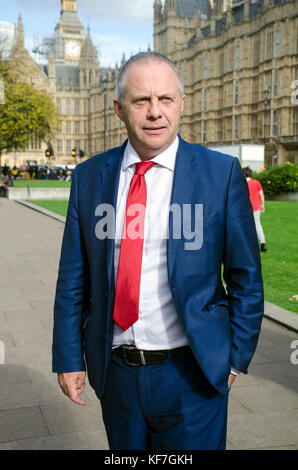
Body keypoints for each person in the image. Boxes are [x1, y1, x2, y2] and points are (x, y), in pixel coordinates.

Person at [52, 52, 264, 450]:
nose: (155, 113)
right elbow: (72, 279)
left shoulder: (220, 174)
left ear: (181, 104)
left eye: (165, 99)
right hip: (117, 376)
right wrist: (68, 357)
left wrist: (233, 359)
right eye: (141, 101)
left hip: (194, 374)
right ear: (119, 108)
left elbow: (246, 278)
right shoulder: (89, 178)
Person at [243, 167, 267, 252]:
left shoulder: (242, 183)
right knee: (257, 225)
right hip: (256, 207)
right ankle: (263, 243)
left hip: (245, 208)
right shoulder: (256, 182)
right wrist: (262, 205)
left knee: (245, 226)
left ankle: (248, 245)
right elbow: (261, 194)